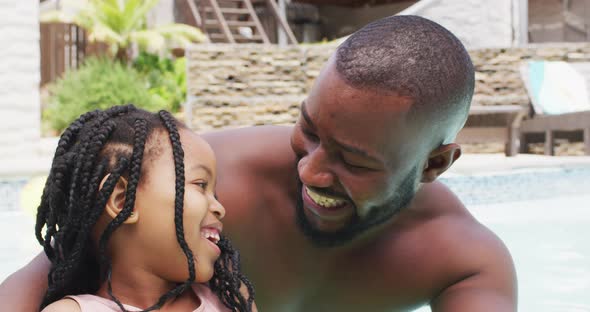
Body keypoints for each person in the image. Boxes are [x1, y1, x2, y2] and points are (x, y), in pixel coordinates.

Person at [0, 16, 516, 311]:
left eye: (355, 161)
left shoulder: (462, 262)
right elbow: (47, 274)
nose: (310, 171)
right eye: (309, 131)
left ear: (434, 165)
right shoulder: (198, 183)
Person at [28, 105, 255, 311]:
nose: (219, 208)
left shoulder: (232, 301)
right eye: (200, 185)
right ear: (123, 200)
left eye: (213, 192)